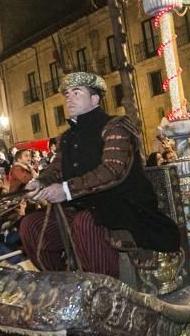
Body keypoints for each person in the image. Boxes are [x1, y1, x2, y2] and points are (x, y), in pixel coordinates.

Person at [22, 72, 180, 277]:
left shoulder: (115, 127)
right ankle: (64, 284)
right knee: (30, 226)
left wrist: (66, 190)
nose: (69, 98)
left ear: (95, 99)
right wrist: (39, 183)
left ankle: (107, 290)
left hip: (123, 208)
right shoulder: (67, 137)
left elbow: (112, 171)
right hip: (82, 208)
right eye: (67, 94)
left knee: (85, 223)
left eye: (76, 93)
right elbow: (57, 169)